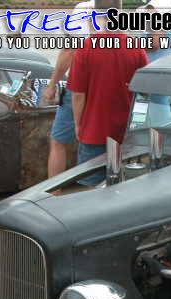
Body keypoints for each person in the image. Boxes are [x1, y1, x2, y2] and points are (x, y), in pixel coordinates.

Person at [69, 0, 149, 186]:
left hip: (93, 132)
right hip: (125, 133)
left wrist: (78, 125)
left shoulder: (86, 48)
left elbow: (78, 95)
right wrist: (138, 124)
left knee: (90, 189)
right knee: (123, 187)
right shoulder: (136, 47)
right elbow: (145, 93)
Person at [45, 0, 94, 179]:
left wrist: (52, 85)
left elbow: (69, 52)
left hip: (79, 86)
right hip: (107, 84)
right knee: (100, 141)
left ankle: (53, 192)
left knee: (58, 141)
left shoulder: (83, 9)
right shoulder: (115, 9)